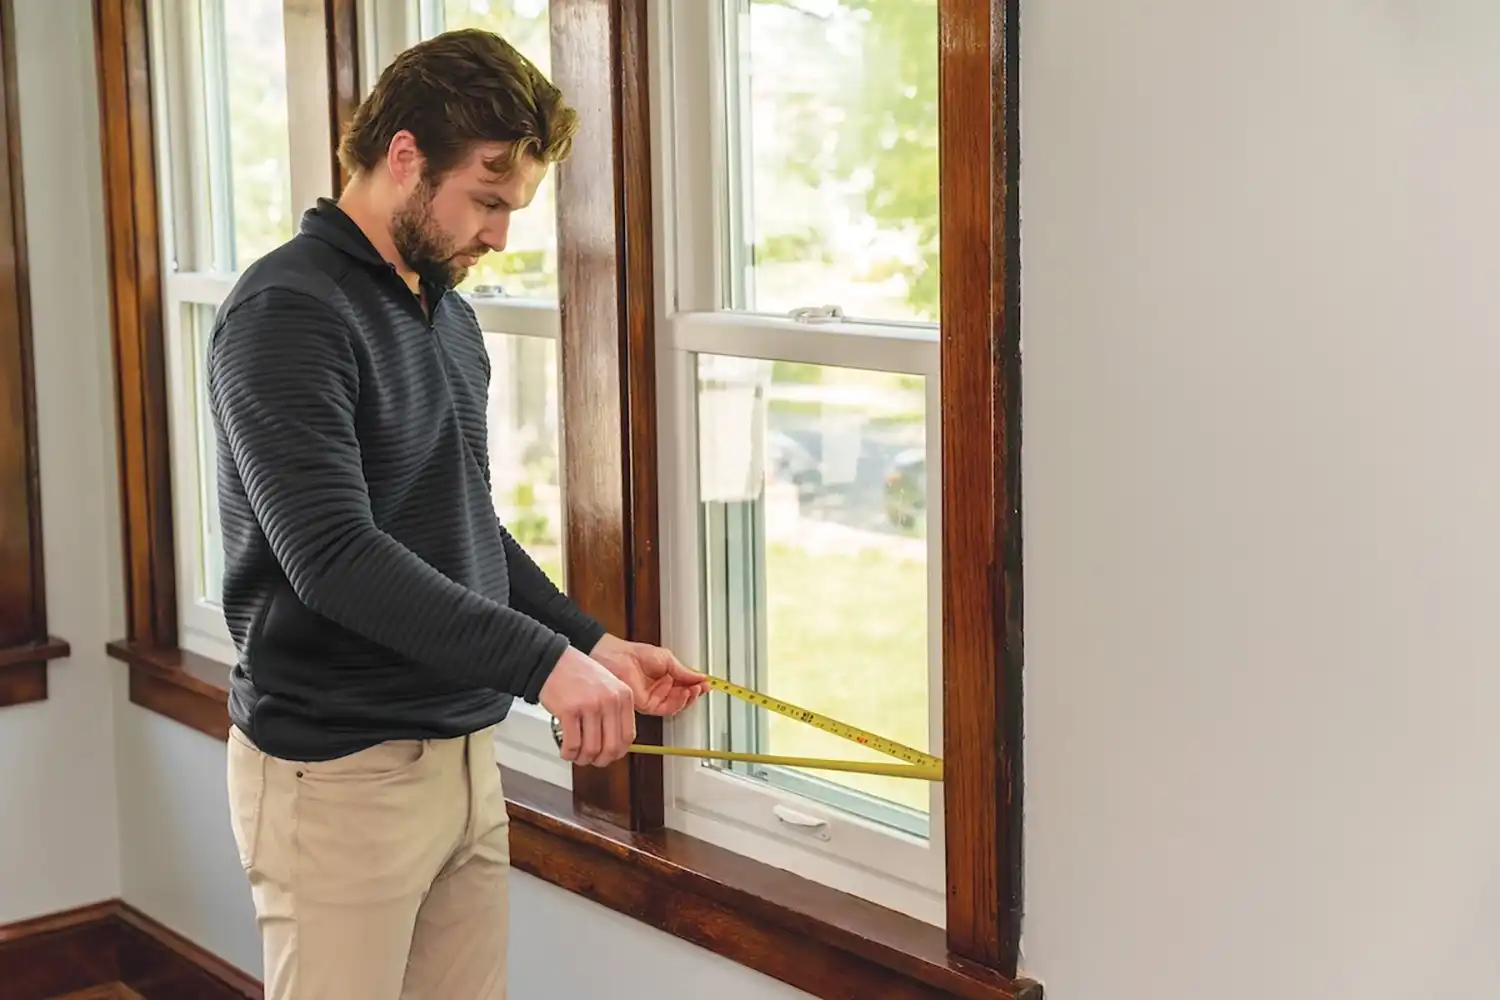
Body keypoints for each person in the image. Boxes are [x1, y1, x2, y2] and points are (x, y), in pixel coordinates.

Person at [209, 28, 705, 1000]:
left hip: (462, 760)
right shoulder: (286, 311)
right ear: (404, 156)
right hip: (339, 775)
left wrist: (589, 641)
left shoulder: (445, 314)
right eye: (486, 199)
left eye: (512, 207)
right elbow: (337, 557)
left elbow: (458, 524)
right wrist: (545, 668)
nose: (500, 235)